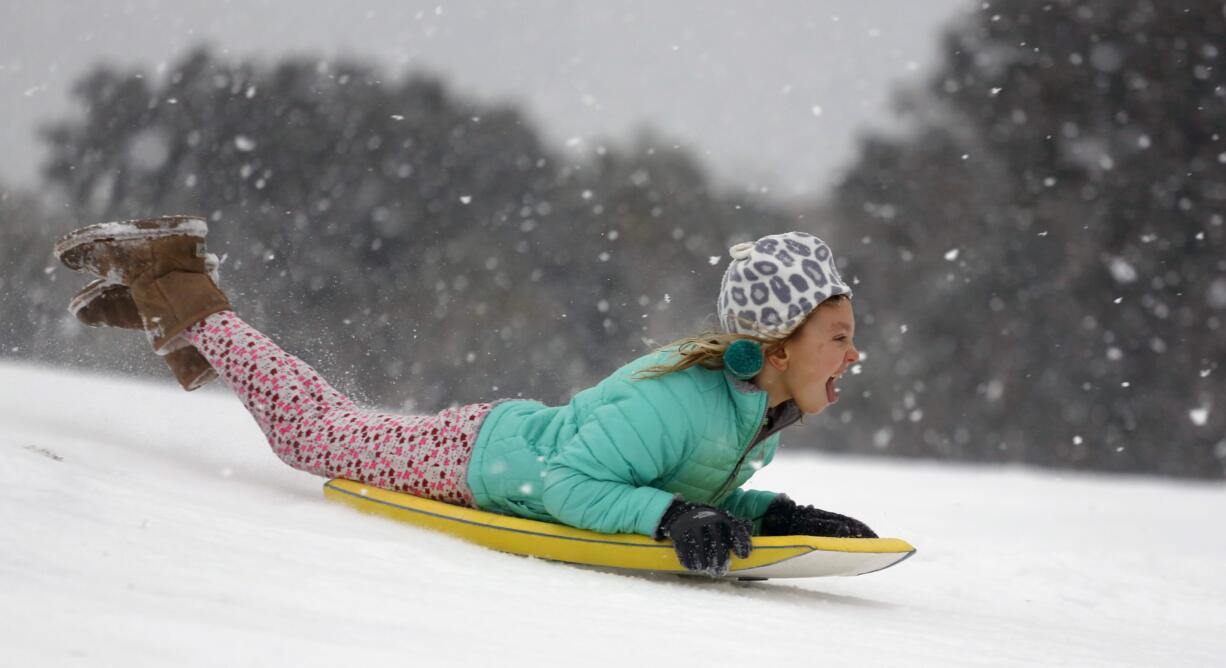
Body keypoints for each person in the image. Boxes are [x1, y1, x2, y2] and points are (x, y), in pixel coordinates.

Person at [54, 217, 877, 576]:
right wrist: (669, 522)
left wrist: (774, 514)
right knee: (311, 434)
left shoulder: (752, 416)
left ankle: (176, 309)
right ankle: (177, 281)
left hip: (499, 448)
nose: (852, 351)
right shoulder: (683, 401)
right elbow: (569, 485)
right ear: (777, 346)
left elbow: (691, 485)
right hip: (481, 458)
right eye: (836, 335)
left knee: (323, 424)